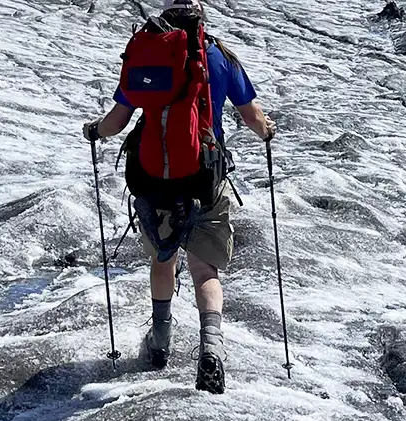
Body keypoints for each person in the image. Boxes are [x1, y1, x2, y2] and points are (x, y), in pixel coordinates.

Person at [82, 0, 274, 394]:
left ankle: (160, 343)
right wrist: (268, 131)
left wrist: (93, 132)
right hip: (206, 176)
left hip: (156, 178)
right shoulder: (220, 56)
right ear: (202, 17)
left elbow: (116, 123)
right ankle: (211, 349)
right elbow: (253, 119)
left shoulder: (148, 52)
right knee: (205, 271)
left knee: (162, 260)